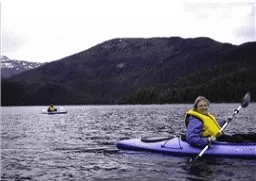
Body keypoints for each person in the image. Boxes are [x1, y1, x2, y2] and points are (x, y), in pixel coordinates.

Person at [184, 96, 256, 148]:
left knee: (244, 136)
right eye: (201, 106)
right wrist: (207, 140)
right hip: (213, 141)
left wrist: (226, 121)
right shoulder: (195, 120)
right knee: (239, 138)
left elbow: (214, 127)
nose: (204, 107)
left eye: (205, 105)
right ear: (196, 108)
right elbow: (191, 138)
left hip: (219, 138)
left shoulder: (206, 115)